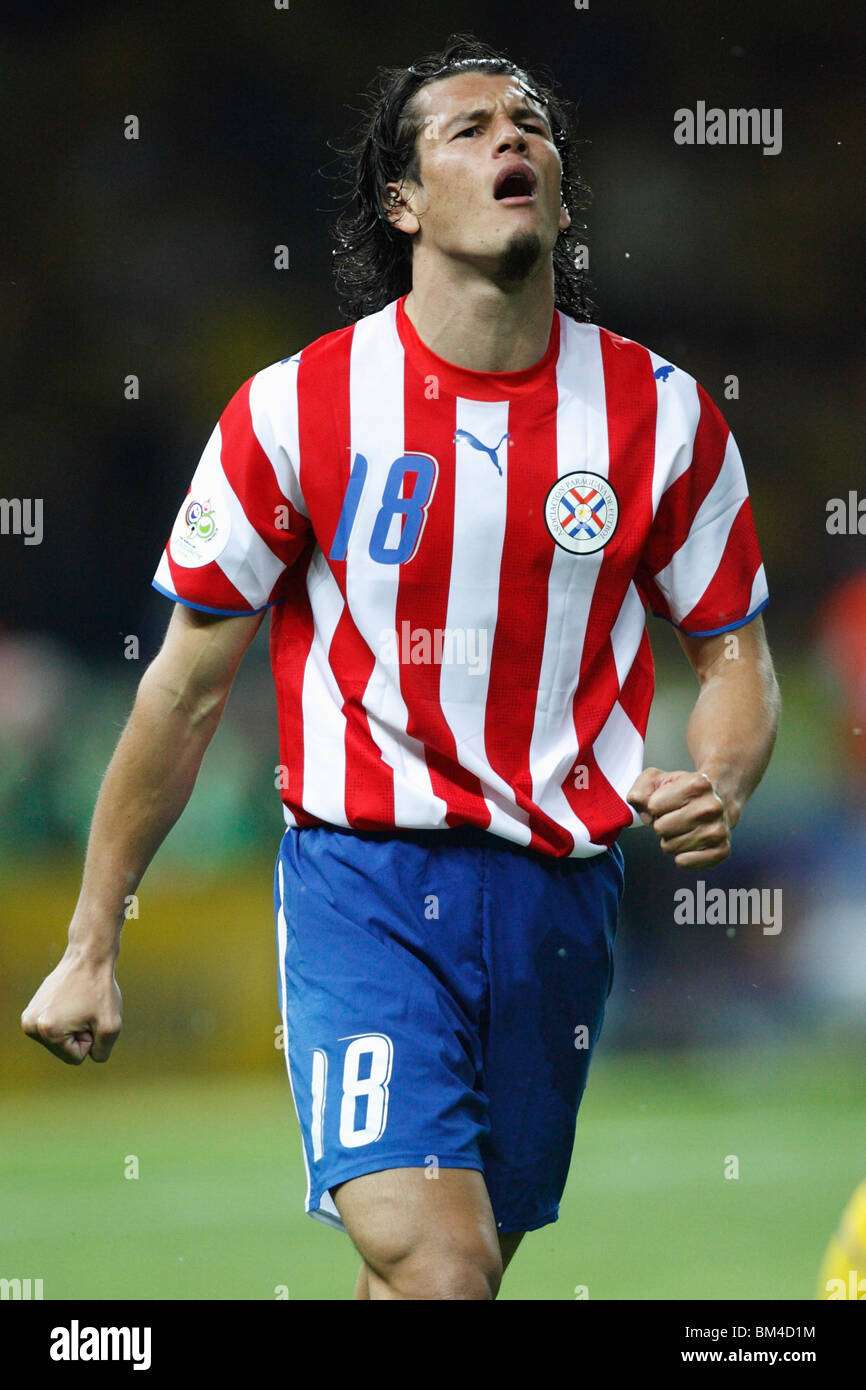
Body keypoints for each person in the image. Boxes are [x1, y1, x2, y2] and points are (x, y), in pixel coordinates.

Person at [21, 34, 780, 1301]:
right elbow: (182, 689)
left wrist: (721, 776)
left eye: (528, 122)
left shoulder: (663, 416)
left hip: (558, 903)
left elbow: (732, 657)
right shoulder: (294, 410)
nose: (510, 139)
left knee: (439, 1278)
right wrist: (92, 938)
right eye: (467, 127)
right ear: (403, 200)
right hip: (364, 883)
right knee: (441, 1264)